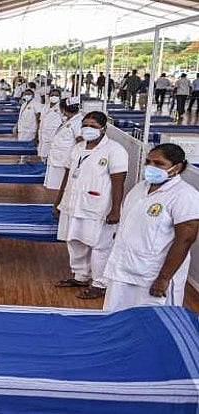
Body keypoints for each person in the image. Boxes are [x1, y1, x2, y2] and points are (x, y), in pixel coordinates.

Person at [103, 144, 199, 311]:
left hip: (153, 274)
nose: (151, 167)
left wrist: (164, 278)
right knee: (117, 315)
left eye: (159, 163)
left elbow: (185, 240)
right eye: (148, 162)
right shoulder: (140, 188)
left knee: (151, 320)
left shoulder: (185, 195)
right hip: (123, 268)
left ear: (177, 167)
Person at [54, 111, 128, 300]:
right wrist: (59, 201)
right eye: (85, 125)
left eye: (93, 126)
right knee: (74, 241)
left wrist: (115, 209)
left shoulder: (114, 150)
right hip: (73, 203)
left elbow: (118, 182)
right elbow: (68, 175)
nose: (88, 129)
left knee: (100, 246)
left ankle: (100, 283)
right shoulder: (78, 147)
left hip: (99, 207)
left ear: (103, 128)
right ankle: (81, 276)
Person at [44, 97, 83, 190]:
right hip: (58, 158)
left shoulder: (77, 122)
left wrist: (77, 161)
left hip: (65, 160)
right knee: (56, 186)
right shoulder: (69, 120)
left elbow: (81, 142)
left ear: (63, 109)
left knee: (62, 186)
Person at [37, 89, 62, 162]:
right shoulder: (45, 107)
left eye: (56, 95)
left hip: (53, 136)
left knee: (51, 157)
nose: (54, 97)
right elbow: (41, 120)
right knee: (43, 156)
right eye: (52, 95)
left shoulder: (61, 108)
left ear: (60, 97)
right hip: (43, 134)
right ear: (49, 96)